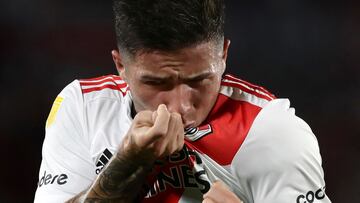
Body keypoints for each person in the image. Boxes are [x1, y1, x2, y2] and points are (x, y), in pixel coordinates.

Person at [34, 0, 331, 202]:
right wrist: (124, 166)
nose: (180, 107)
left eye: (199, 79)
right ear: (120, 65)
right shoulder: (84, 108)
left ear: (223, 56)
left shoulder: (270, 131)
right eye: (156, 82)